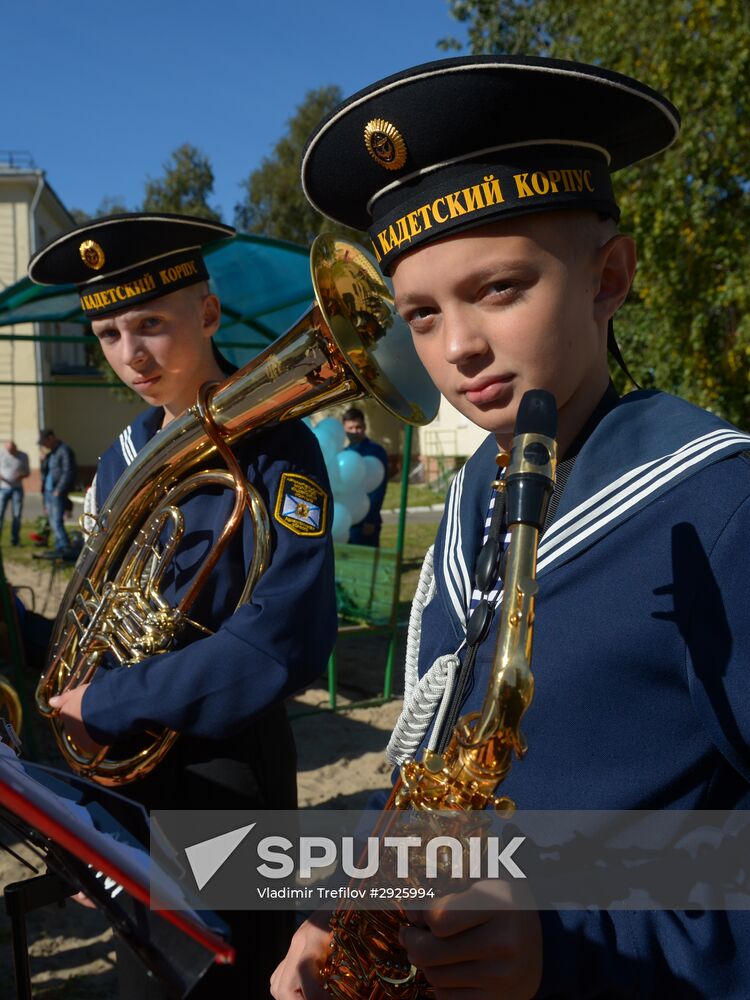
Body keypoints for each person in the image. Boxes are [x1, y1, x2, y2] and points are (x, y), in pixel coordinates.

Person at [272, 56, 750, 998]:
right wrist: (338, 908)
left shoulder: (717, 503)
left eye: (499, 288)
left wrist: (566, 948)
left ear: (609, 278)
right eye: (419, 313)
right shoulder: (475, 495)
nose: (458, 349)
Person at [27, 212, 338, 999]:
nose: (130, 356)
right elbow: (93, 619)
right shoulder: (126, 453)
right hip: (125, 767)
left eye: (151, 325)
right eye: (106, 333)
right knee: (149, 972)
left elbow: (285, 639)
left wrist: (112, 698)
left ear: (207, 313)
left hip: (225, 773)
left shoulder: (277, 444)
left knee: (230, 974)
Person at [341, 406, 388, 546]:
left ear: (365, 426)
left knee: (366, 564)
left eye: (358, 427)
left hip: (365, 521)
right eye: (350, 428)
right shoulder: (343, 453)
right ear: (344, 428)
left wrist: (371, 519)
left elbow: (378, 488)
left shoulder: (375, 451)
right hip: (345, 519)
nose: (355, 431)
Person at [37, 428, 76, 553]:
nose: (43, 445)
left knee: (57, 521)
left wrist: (60, 489)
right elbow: (47, 472)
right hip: (48, 491)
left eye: (44, 442)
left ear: (51, 438)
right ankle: (59, 546)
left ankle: (64, 546)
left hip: (56, 491)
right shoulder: (52, 452)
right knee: (52, 521)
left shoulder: (64, 450)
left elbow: (68, 471)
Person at [0, 440, 30, 546]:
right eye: (8, 450)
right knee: (0, 514)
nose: (10, 452)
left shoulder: (23, 456)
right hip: (3, 488)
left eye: (12, 450)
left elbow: (27, 472)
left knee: (16, 514)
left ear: (16, 448)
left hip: (17, 488)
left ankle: (15, 539)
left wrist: (21, 475)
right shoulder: (1, 455)